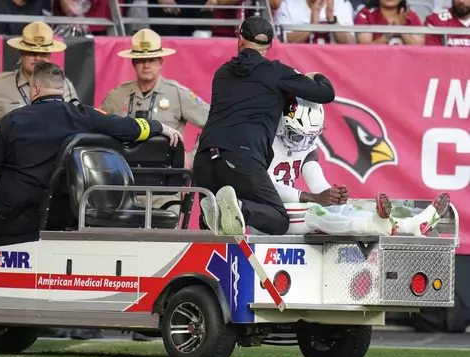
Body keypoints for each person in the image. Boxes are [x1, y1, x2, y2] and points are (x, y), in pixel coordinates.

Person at [0, 61, 182, 308]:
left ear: (35, 90)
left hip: (15, 213)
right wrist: (158, 126)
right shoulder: (84, 116)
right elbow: (126, 127)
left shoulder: (11, 122)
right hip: (64, 213)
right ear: (62, 89)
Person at [202, 96, 450, 237]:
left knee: (351, 206)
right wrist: (314, 198)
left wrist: (332, 194)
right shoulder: (262, 142)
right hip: (268, 214)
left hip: (291, 208)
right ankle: (377, 225)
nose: (306, 143)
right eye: (300, 136)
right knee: (318, 214)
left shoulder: (307, 144)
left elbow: (318, 183)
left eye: (312, 136)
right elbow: (262, 185)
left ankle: (412, 223)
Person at [193, 16, 335, 237]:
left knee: (215, 230)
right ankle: (240, 207)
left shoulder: (221, 73)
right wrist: (313, 75)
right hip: (241, 158)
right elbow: (326, 93)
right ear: (269, 45)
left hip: (204, 160)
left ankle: (215, 214)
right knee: (278, 219)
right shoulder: (276, 72)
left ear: (240, 39)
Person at [100, 29, 209, 219]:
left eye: (151, 59)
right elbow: (98, 127)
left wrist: (192, 158)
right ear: (133, 62)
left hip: (165, 192)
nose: (146, 65)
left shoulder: (176, 93)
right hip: (122, 188)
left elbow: (213, 122)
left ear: (161, 62)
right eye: (141, 60)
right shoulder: (117, 96)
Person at [0, 21, 79, 155]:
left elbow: (77, 121)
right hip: (12, 168)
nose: (38, 58)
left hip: (53, 167)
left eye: (43, 53)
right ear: (21, 53)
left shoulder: (65, 84)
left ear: (50, 55)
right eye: (31, 52)